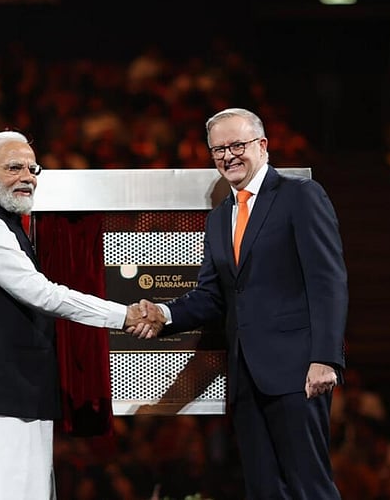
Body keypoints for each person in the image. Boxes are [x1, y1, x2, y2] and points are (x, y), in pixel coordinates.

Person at [0, 130, 161, 500]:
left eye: (32, 168)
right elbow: (40, 293)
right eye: (13, 167)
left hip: (11, 393)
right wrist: (123, 315)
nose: (27, 177)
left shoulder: (4, 222)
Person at [133, 108, 348, 499]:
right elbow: (212, 296)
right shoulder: (219, 218)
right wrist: (163, 313)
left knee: (309, 486)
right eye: (218, 149)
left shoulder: (300, 195)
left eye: (237, 145)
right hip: (245, 376)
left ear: (262, 146)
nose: (228, 156)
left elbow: (328, 279)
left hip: (298, 372)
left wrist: (326, 358)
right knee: (263, 489)